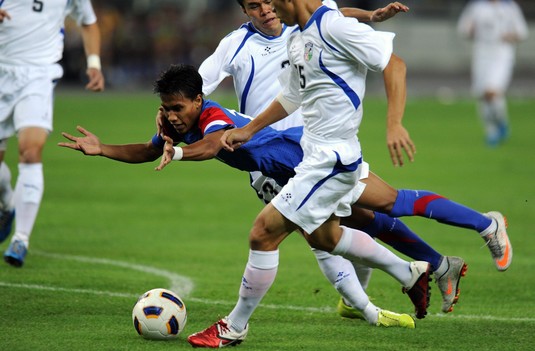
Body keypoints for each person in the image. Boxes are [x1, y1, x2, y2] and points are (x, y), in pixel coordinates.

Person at [193, 0, 509, 321]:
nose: (269, 10)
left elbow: (385, 56)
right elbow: (288, 96)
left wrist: (394, 122)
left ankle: (239, 325)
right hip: (302, 155)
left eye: (272, 3)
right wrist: (247, 129)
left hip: (327, 157)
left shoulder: (325, 26)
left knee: (285, 233)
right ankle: (464, 244)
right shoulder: (286, 39)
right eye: (257, 5)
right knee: (376, 210)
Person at [60, 64, 431, 330]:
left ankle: (235, 328)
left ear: (198, 101)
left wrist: (180, 153)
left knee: (286, 234)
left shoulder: (212, 117)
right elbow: (147, 149)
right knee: (330, 235)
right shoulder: (182, 122)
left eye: (178, 108)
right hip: (286, 172)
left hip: (304, 164)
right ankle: (405, 277)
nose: (171, 116)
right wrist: (102, 148)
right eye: (166, 109)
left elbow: (214, 143)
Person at [0, 0, 105, 267]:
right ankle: (8, 203)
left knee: (31, 150)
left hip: (39, 73)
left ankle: (20, 239)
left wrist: (94, 63)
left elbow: (89, 22)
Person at [457, 0, 528, 147]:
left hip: (502, 54)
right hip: (481, 54)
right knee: (483, 95)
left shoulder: (510, 7)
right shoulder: (476, 6)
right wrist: (470, 30)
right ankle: (492, 131)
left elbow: (522, 31)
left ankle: (501, 123)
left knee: (492, 91)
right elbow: (463, 28)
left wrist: (510, 36)